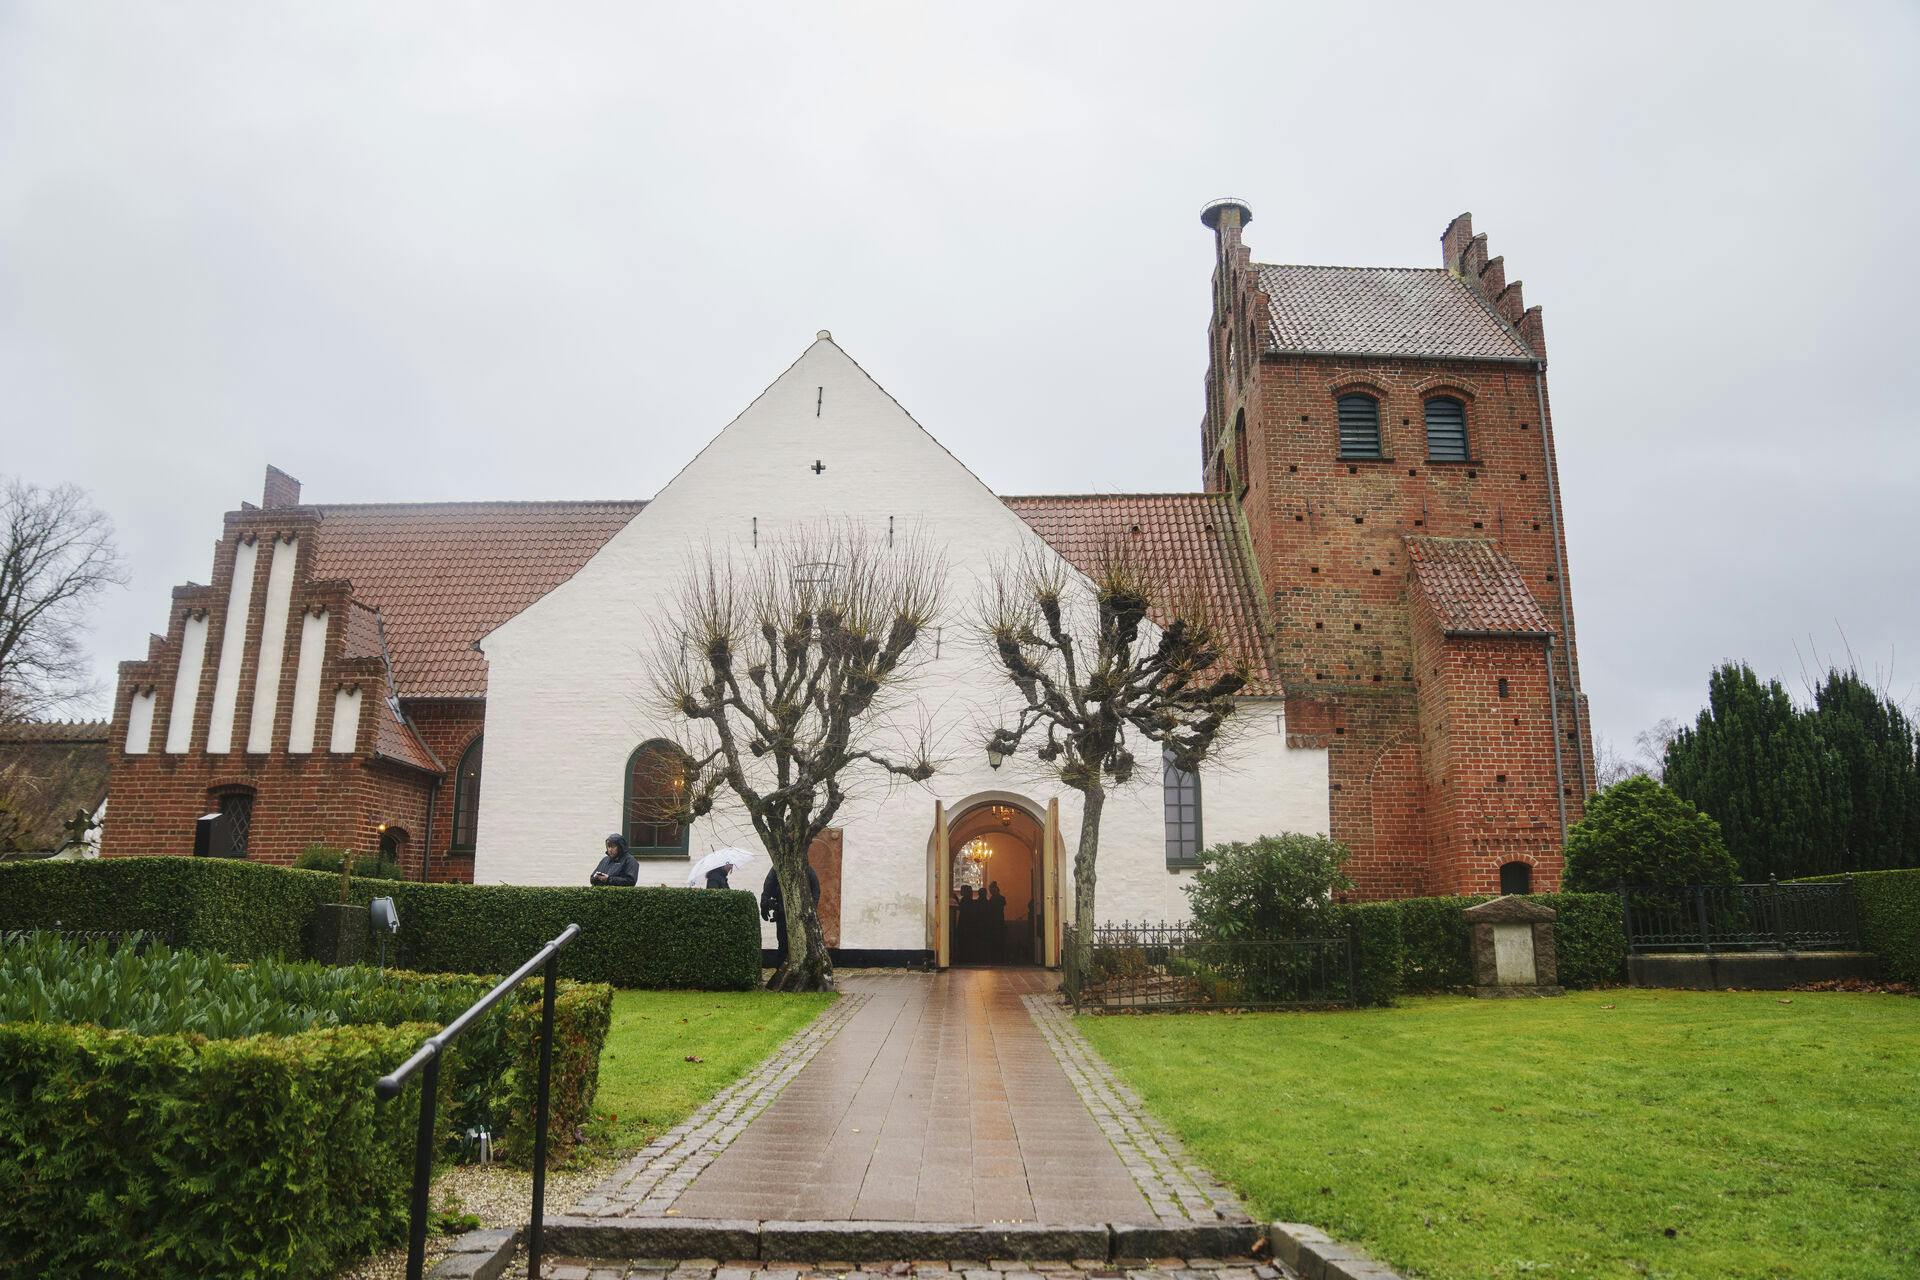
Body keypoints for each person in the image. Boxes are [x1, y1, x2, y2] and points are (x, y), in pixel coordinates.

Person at [760, 862, 821, 957]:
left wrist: (811, 910)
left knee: (798, 941)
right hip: (783, 911)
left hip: (800, 913)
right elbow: (768, 886)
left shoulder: (806, 868)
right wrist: (764, 904)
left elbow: (815, 890)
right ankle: (781, 967)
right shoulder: (778, 868)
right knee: (783, 942)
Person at [985, 881, 1007, 965]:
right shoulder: (1000, 898)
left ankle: (996, 959)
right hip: (998, 922)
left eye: (991, 889)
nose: (990, 891)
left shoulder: (994, 899)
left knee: (995, 942)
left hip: (995, 923)